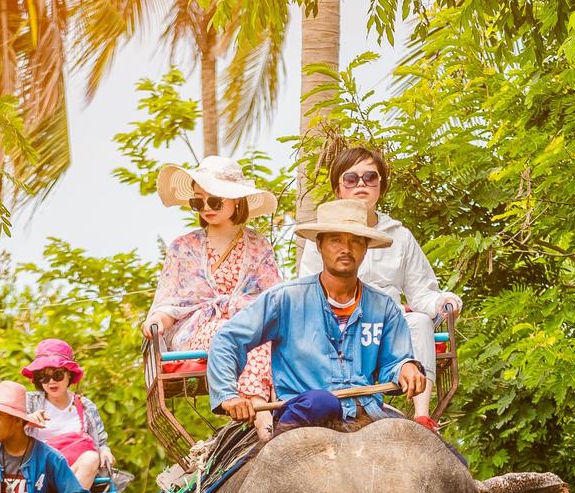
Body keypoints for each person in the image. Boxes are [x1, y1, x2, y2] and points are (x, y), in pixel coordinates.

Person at [207, 199, 424, 428]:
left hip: (366, 409)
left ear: (366, 247)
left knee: (427, 445)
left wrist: (406, 367)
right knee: (321, 401)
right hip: (304, 410)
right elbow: (227, 339)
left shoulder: (384, 306)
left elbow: (395, 361)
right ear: (319, 245)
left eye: (356, 241)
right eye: (336, 240)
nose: (346, 249)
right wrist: (228, 395)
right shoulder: (285, 299)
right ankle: (281, 437)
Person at [295, 144, 460, 425]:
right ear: (338, 188)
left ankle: (422, 416)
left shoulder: (399, 235)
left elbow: (422, 292)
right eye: (351, 178)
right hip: (339, 327)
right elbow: (307, 295)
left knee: (419, 321)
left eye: (370, 177)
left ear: (380, 186)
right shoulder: (321, 237)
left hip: (389, 327)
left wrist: (444, 302)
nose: (361, 184)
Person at [144, 155, 281, 408]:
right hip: (200, 329)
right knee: (232, 334)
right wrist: (156, 320)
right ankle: (239, 402)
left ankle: (259, 407)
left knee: (259, 335)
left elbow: (274, 298)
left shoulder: (259, 245)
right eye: (199, 201)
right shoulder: (183, 247)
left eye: (215, 200)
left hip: (251, 323)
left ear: (236, 200)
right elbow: (171, 302)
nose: (207, 207)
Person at [21, 339, 113, 489]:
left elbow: (101, 443)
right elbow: (8, 436)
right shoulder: (29, 402)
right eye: (43, 376)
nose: (51, 382)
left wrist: (104, 451)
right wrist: (25, 421)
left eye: (57, 375)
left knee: (91, 458)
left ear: (69, 374)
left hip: (78, 471)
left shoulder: (85, 406)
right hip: (39, 473)